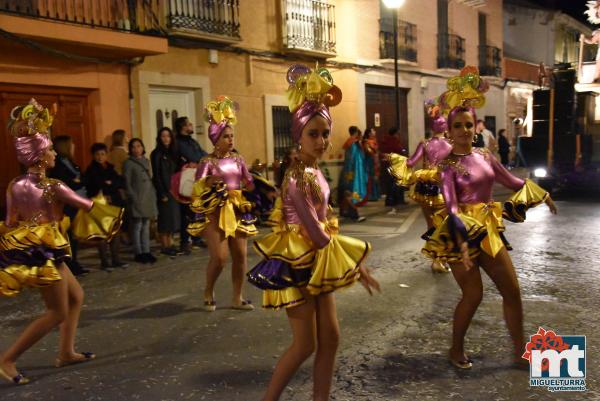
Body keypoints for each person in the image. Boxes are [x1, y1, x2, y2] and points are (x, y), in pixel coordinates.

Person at [247, 64, 380, 401]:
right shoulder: (296, 177)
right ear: (298, 136)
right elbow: (318, 233)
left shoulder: (314, 171)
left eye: (325, 133)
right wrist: (357, 265)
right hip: (298, 261)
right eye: (313, 134)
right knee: (305, 343)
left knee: (331, 337)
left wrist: (350, 263)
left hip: (318, 260)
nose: (322, 141)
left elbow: (325, 222)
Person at [421, 67, 558, 369]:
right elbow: (452, 206)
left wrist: (543, 194)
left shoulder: (484, 156)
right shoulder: (447, 164)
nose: (464, 131)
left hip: (489, 230)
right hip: (460, 233)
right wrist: (460, 248)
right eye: (457, 126)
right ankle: (455, 349)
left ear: (475, 126)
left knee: (513, 291)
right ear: (449, 130)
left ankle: (521, 351)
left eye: (468, 125)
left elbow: (511, 181)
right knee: (473, 296)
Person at [0, 99, 123, 385]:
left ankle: (66, 351)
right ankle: (7, 359)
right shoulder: (54, 187)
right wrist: (117, 215)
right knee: (56, 312)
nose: (55, 153)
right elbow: (89, 206)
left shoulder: (15, 185)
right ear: (41, 156)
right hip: (47, 253)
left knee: (76, 297)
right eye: (51, 149)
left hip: (34, 250)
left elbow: (9, 223)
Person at [187, 96, 257, 312]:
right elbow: (197, 188)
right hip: (214, 212)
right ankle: (209, 290)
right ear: (215, 139)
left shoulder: (238, 159)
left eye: (232, 135)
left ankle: (237, 297)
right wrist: (211, 181)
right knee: (219, 257)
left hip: (236, 210)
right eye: (226, 136)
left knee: (241, 255)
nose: (230, 139)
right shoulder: (207, 162)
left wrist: (256, 181)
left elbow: (249, 183)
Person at [387, 105, 452, 273]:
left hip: (424, 187)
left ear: (432, 128)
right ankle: (439, 259)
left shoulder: (425, 143)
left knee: (431, 224)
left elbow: (410, 162)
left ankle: (436, 258)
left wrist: (394, 160)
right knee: (444, 224)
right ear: (445, 127)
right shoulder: (451, 145)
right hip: (443, 187)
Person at [48, 135, 90, 276]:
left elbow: (82, 178)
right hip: (66, 205)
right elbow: (64, 183)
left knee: (74, 235)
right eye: (71, 144)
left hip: (77, 201)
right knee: (68, 236)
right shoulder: (58, 164)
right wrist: (76, 181)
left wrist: (77, 181)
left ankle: (74, 262)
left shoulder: (70, 162)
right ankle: (69, 264)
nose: (74, 146)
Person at [84, 143, 128, 270]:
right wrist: (108, 184)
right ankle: (105, 261)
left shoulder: (110, 167)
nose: (100, 157)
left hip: (114, 203)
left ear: (106, 155)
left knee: (115, 231)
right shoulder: (91, 170)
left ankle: (116, 258)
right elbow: (95, 185)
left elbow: (120, 182)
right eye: (97, 154)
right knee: (103, 233)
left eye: (102, 154)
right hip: (100, 204)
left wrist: (111, 183)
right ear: (93, 156)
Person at [175, 116, 207, 254]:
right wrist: (200, 160)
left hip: (197, 179)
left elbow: (202, 154)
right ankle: (184, 241)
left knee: (196, 209)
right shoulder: (178, 143)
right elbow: (193, 157)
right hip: (186, 180)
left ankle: (196, 238)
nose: (191, 125)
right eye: (188, 124)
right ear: (183, 127)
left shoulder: (192, 141)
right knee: (186, 212)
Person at [123, 138, 158, 264]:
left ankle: (147, 250)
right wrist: (132, 197)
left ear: (142, 147)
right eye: (133, 147)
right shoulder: (128, 163)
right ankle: (138, 252)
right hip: (137, 197)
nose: (136, 149)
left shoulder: (146, 161)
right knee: (137, 226)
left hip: (148, 196)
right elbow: (127, 182)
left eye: (139, 146)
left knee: (146, 226)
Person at [150, 127, 181, 257]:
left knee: (171, 218)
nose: (166, 139)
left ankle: (170, 243)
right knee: (164, 219)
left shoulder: (172, 153)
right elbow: (157, 174)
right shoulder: (156, 153)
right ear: (159, 138)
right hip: (164, 190)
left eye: (168, 136)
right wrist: (161, 192)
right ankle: (165, 245)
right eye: (163, 136)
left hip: (173, 189)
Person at [339, 126, 367, 218]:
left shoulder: (350, 142)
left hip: (349, 170)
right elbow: (352, 159)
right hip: (352, 171)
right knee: (352, 190)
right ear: (355, 132)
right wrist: (350, 173)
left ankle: (345, 211)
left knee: (347, 191)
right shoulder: (353, 143)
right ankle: (354, 213)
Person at [379, 126, 406, 213]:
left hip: (387, 165)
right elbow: (399, 150)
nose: (399, 135)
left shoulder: (384, 141)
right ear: (395, 133)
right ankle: (396, 200)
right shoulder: (394, 141)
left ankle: (389, 201)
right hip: (395, 165)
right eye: (398, 133)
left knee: (390, 183)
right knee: (395, 183)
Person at [362, 127, 381, 201]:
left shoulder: (374, 140)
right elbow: (368, 151)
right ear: (369, 133)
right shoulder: (366, 141)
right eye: (373, 131)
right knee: (371, 178)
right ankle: (371, 195)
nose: (375, 132)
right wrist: (373, 150)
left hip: (375, 161)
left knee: (376, 178)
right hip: (370, 161)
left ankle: (376, 194)